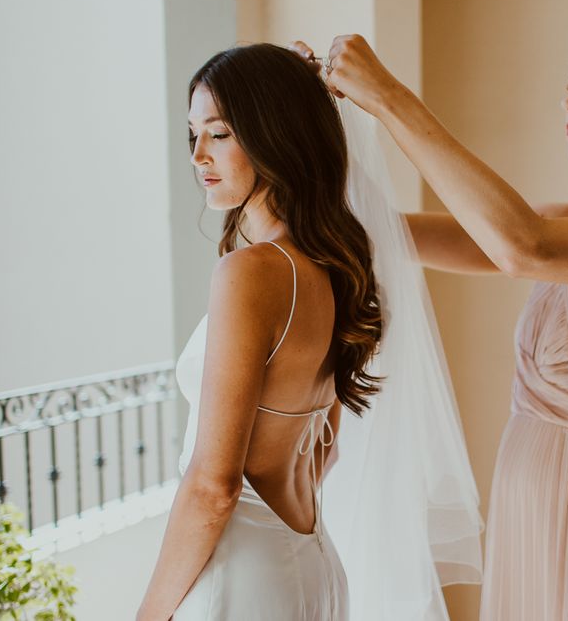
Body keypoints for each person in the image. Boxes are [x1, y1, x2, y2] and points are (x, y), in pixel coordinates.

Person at [298, 14, 568, 619]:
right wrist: (302, 117)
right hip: (523, 496)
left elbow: (522, 246)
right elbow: (377, 234)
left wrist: (389, 99)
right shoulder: (561, 222)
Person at [136, 43, 483, 621]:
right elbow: (323, 449)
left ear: (275, 134)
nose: (198, 154)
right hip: (310, 560)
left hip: (238, 576)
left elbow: (212, 487)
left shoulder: (251, 273)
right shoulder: (338, 266)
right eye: (192, 133)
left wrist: (148, 614)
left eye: (219, 133)